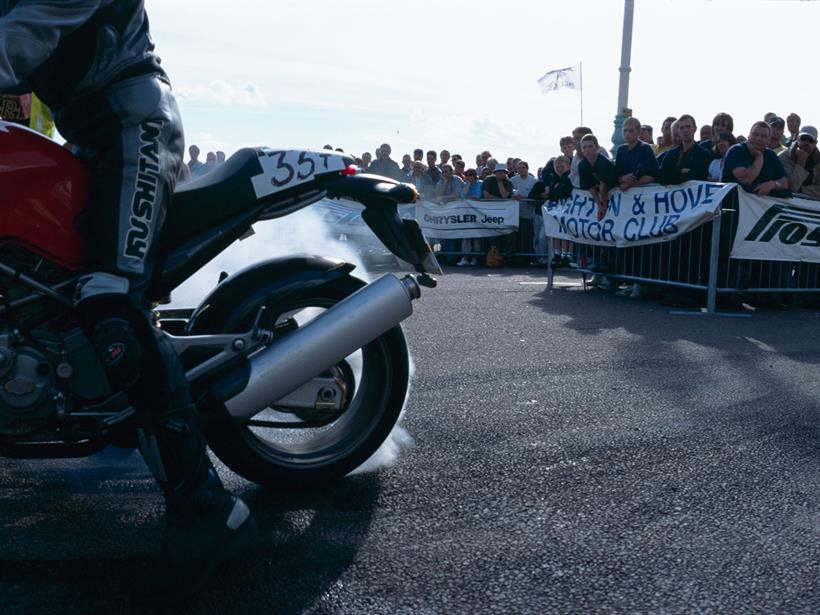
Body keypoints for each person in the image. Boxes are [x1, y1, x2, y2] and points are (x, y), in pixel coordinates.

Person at [0, 1, 255, 602]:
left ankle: (205, 506)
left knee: (108, 302)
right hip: (85, 133)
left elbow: (20, 36)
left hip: (131, 124)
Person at [722, 121, 790, 197]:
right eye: (755, 134)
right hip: (733, 203)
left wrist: (773, 184)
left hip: (761, 206)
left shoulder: (770, 155)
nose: (758, 138)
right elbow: (746, 180)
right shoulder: (736, 151)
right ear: (748, 136)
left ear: (768, 141)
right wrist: (759, 157)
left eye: (763, 136)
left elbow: (784, 183)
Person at [658, 114, 711, 184]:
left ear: (694, 128)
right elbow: (661, 177)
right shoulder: (671, 154)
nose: (685, 130)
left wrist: (674, 174)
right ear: (679, 131)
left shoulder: (704, 154)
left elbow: (699, 176)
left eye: (688, 127)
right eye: (682, 128)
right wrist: (681, 171)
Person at [614, 117, 659, 191]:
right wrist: (623, 178)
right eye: (625, 131)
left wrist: (630, 184)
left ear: (638, 132)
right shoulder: (621, 150)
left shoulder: (645, 148)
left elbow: (652, 175)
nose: (627, 133)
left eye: (631, 131)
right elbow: (616, 175)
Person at [779, 125, 820, 198]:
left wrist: (801, 190)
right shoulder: (783, 157)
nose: (806, 143)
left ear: (815, 143)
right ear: (797, 139)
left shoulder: (818, 162)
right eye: (803, 138)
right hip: (786, 203)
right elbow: (792, 187)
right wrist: (801, 163)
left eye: (810, 140)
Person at [457, 168, 484, 266]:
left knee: (476, 237)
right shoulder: (466, 184)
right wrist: (467, 185)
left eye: (470, 175)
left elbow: (477, 195)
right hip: (466, 213)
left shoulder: (480, 183)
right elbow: (462, 195)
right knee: (466, 236)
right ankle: (465, 257)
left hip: (476, 213)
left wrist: (468, 197)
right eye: (467, 175)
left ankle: (475, 258)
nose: (468, 177)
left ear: (474, 175)